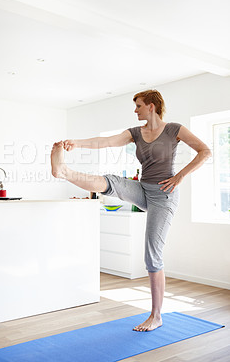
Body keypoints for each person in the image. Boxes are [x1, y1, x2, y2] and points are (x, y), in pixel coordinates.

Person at [51, 89, 211, 332]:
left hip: (164, 195)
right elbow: (105, 142)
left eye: (138, 105)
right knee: (111, 181)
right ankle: (65, 172)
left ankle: (156, 316)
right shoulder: (136, 133)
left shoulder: (174, 129)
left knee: (152, 254)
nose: (135, 110)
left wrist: (179, 176)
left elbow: (205, 151)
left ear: (151, 106)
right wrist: (76, 142)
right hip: (142, 188)